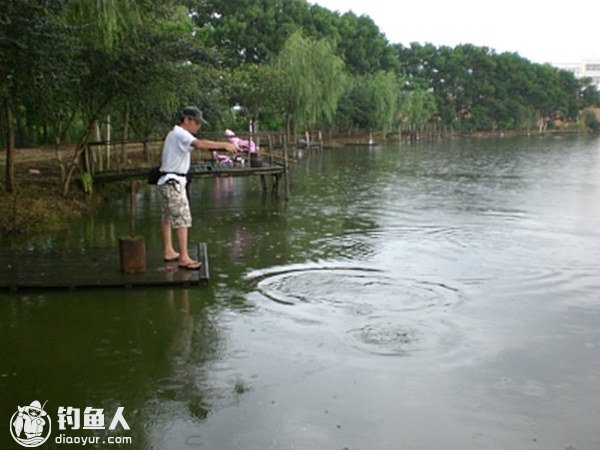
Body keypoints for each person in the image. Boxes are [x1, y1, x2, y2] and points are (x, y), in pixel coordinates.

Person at [158, 106, 237, 270]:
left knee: (167, 217)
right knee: (182, 218)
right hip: (174, 182)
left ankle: (169, 250)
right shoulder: (181, 134)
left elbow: (200, 145)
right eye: (197, 123)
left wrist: (224, 148)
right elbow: (200, 144)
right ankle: (184, 258)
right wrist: (225, 144)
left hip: (166, 181)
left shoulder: (176, 134)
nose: (198, 126)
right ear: (187, 120)